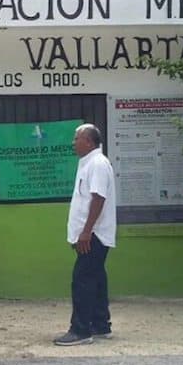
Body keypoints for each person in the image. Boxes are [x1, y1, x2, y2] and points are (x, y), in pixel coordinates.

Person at [55, 123, 117, 346]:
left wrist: (87, 231)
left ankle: (81, 330)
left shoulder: (98, 164)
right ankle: (100, 325)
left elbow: (98, 198)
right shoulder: (88, 163)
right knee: (96, 278)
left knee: (82, 280)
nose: (73, 143)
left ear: (89, 142)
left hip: (94, 235)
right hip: (90, 234)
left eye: (76, 138)